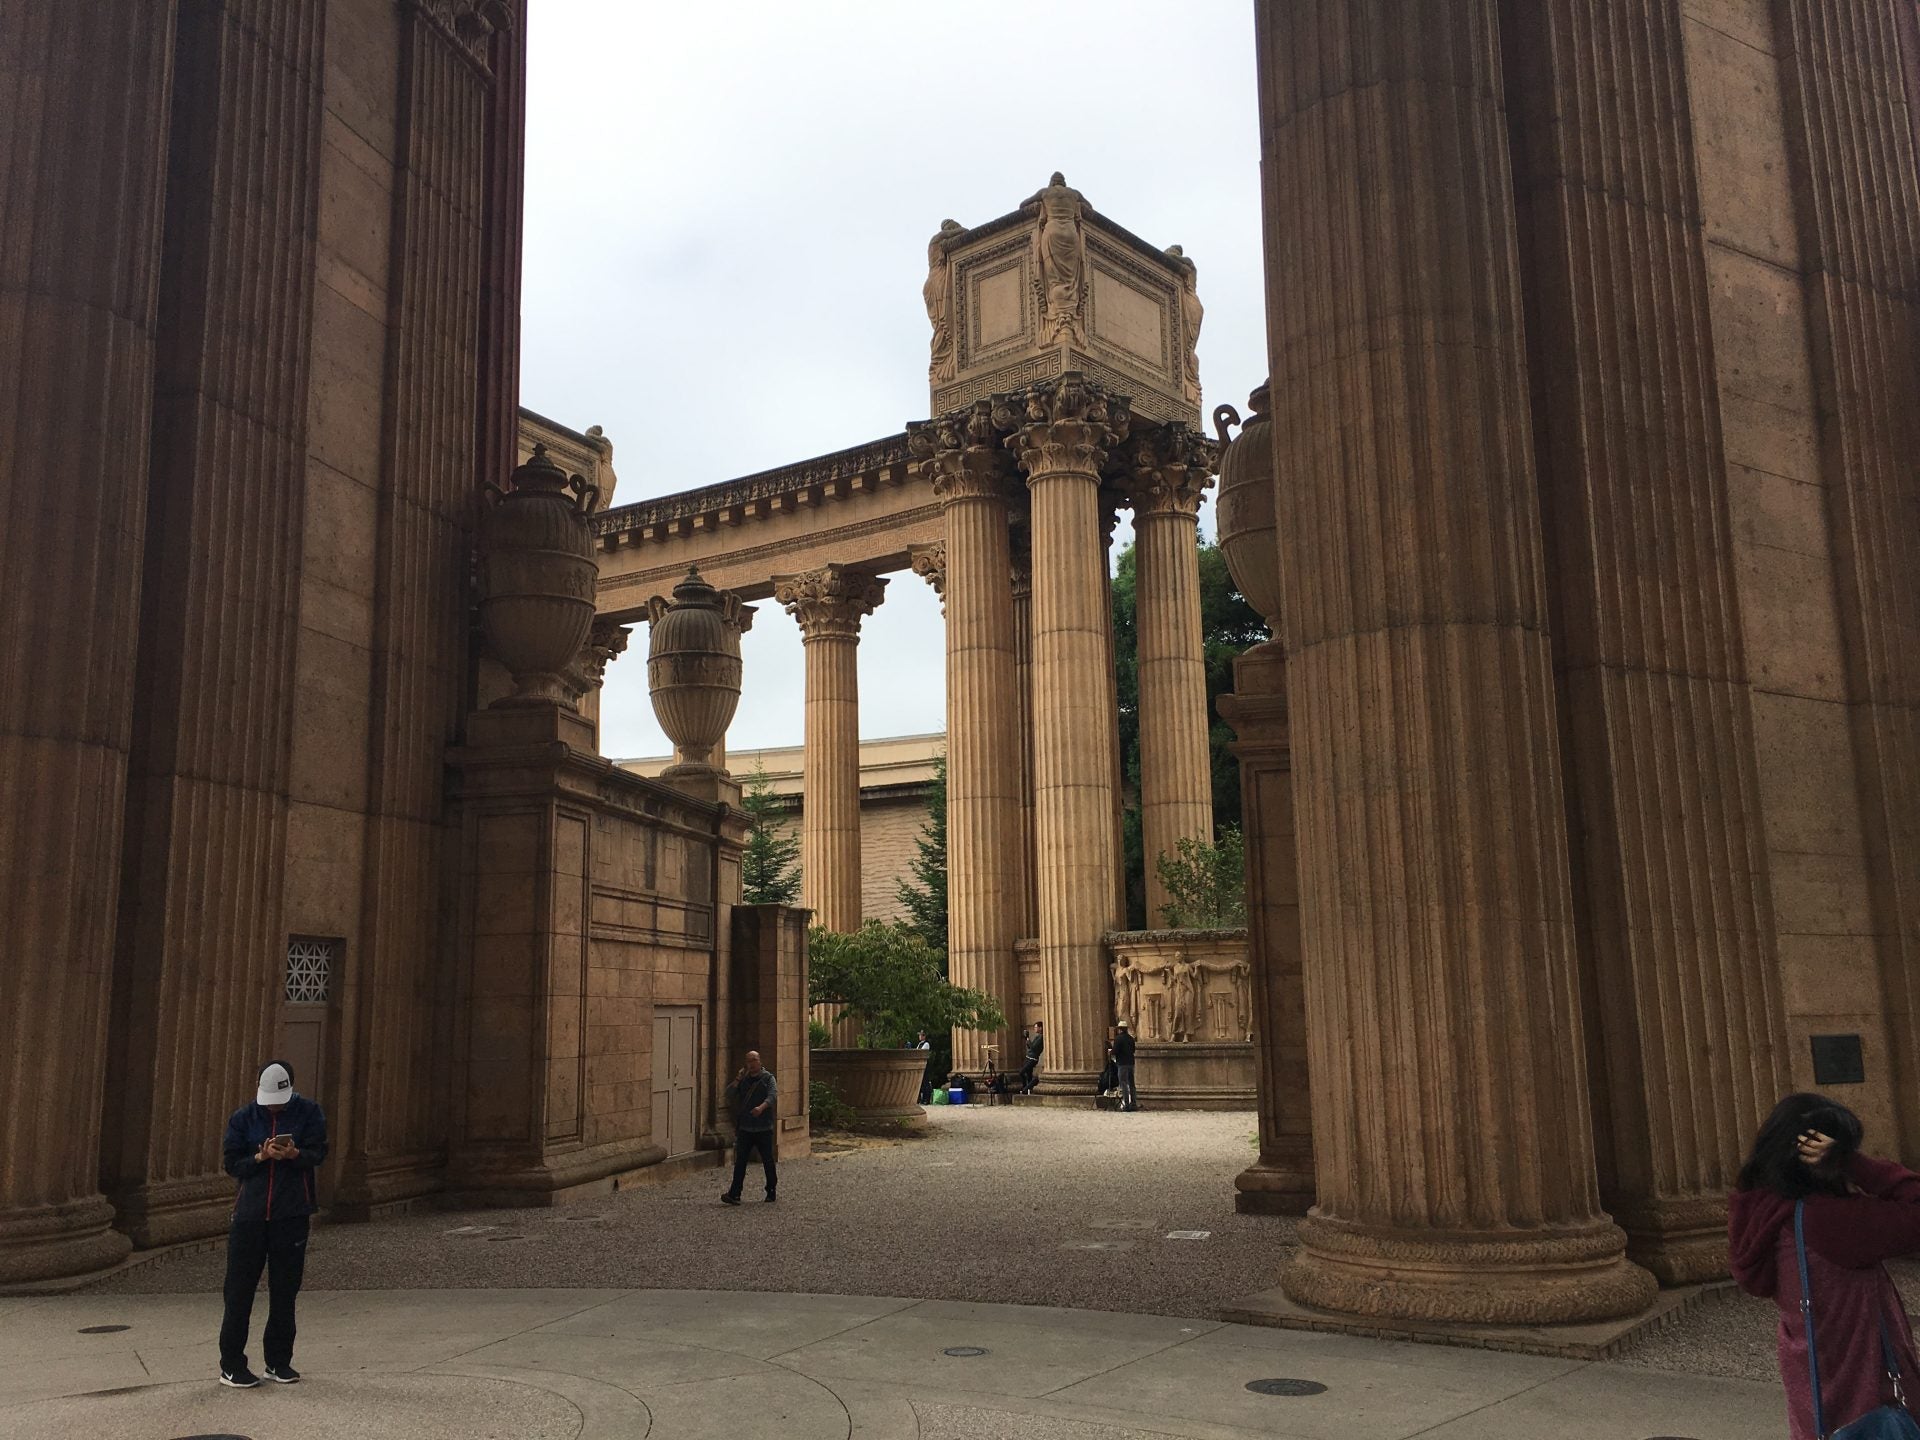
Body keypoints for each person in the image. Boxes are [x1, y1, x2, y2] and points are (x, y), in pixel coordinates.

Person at [1730, 1093, 1920, 1439]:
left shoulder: (1766, 1212)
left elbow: (1757, 1281)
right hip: (1867, 1399)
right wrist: (1855, 1164)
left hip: (1813, 1389)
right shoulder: (1835, 1222)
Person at [218, 1060, 327, 1388]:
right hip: (250, 1215)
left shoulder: (309, 1112)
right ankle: (231, 1365)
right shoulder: (243, 1117)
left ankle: (278, 1362)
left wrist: (295, 1155)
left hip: (291, 1213)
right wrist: (259, 1157)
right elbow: (232, 1163)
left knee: (285, 1290)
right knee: (238, 1291)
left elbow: (319, 1153)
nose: (273, 1107)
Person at [721, 1051, 778, 1205]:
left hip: (763, 1127)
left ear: (759, 1061)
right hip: (746, 1128)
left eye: (754, 1060)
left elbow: (772, 1096)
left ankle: (771, 1190)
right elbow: (728, 1094)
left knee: (767, 1160)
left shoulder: (768, 1078)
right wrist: (737, 1079)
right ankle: (734, 1193)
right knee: (740, 1162)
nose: (752, 1064)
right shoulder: (744, 1080)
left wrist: (761, 1107)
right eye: (749, 1061)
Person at [1113, 1020, 1138, 1112]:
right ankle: (1134, 1104)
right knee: (1132, 1084)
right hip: (1131, 1063)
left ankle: (1126, 1104)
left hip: (1122, 1063)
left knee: (1123, 1083)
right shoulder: (1131, 1038)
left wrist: (1110, 1052)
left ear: (1120, 1029)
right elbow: (1133, 1050)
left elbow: (1115, 1051)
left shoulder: (1118, 1039)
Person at [1019, 1020, 1044, 1095]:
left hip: (1032, 1059)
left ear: (1040, 1028)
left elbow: (1033, 1047)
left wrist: (1028, 1038)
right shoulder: (1038, 1036)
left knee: (1021, 1072)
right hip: (1029, 1057)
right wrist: (1027, 1039)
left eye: (1036, 1027)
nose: (1035, 1029)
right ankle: (1028, 1091)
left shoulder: (1041, 1037)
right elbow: (1030, 1047)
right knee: (1028, 1074)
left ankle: (1025, 1088)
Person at [915, 1029, 933, 1105]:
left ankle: (926, 1099)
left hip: (924, 1064)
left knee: (926, 1082)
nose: (919, 1036)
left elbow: (921, 1052)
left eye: (921, 1035)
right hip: (919, 1064)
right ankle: (921, 1099)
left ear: (924, 1036)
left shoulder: (926, 1044)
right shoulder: (919, 1044)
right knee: (921, 1082)